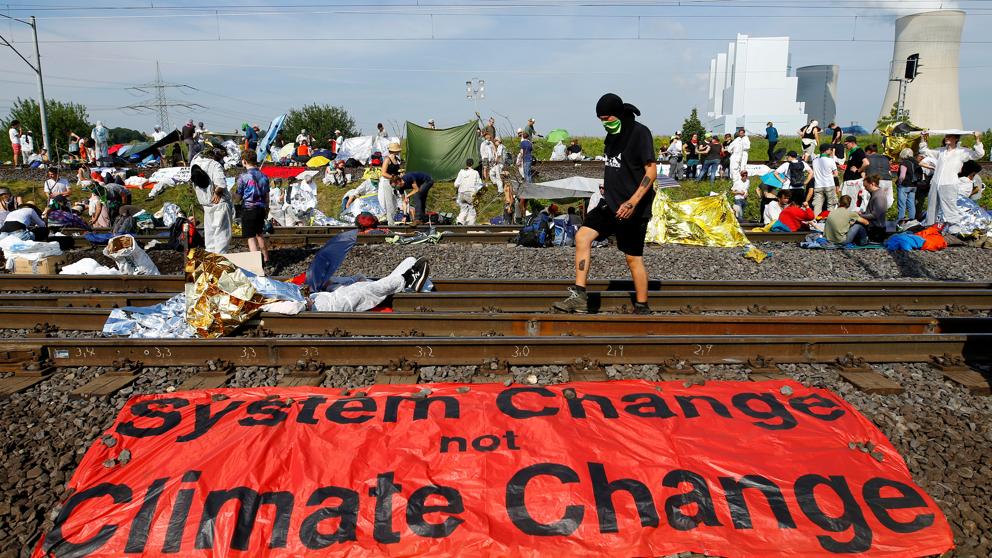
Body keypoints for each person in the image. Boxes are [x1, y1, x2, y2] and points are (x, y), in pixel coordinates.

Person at [553, 92, 656, 315]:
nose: (604, 124)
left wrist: (632, 202)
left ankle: (642, 306)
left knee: (632, 258)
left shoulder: (640, 133)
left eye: (606, 119)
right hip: (610, 203)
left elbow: (651, 171)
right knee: (582, 236)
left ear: (618, 114)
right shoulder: (611, 137)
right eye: (600, 120)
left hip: (634, 208)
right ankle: (580, 296)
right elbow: (616, 166)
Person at [919, 130, 984, 225]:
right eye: (946, 136)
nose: (947, 137)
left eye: (949, 136)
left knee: (950, 208)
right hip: (935, 183)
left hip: (949, 183)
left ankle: (954, 229)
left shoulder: (961, 151)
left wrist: (977, 139)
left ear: (956, 138)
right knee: (932, 207)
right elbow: (924, 151)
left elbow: (979, 154)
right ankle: (930, 228)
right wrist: (922, 138)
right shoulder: (941, 151)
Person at [191, 148, 234, 254]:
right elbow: (221, 184)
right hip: (220, 205)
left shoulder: (194, 163)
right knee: (221, 236)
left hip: (206, 204)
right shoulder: (214, 165)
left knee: (210, 238)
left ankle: (211, 262)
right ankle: (220, 263)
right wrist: (217, 193)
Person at [234, 153, 271, 265]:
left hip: (248, 209)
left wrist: (233, 197)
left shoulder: (243, 177)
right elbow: (267, 197)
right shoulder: (264, 176)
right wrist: (266, 209)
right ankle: (266, 259)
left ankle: (256, 264)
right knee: (259, 234)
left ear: (244, 161)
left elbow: (238, 198)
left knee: (251, 237)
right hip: (261, 208)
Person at [807, 143, 839, 215]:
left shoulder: (815, 161)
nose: (831, 151)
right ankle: (830, 219)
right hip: (829, 185)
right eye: (830, 150)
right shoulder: (831, 160)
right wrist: (830, 175)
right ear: (826, 150)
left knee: (817, 205)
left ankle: (815, 221)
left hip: (818, 186)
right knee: (831, 204)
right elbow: (836, 174)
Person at [378, 142, 403, 225]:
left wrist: (400, 175)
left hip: (395, 182)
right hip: (387, 182)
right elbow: (383, 173)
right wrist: (393, 177)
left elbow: (397, 171)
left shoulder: (396, 159)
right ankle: (391, 222)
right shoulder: (387, 159)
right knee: (389, 202)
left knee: (396, 201)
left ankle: (395, 220)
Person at [896, 148, 922, 224]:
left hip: (905, 185)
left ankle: (900, 222)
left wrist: (899, 183)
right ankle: (912, 221)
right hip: (914, 186)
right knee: (911, 204)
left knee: (902, 204)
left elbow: (902, 176)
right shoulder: (916, 162)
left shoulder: (905, 162)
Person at [859, 175, 888, 242]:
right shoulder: (875, 193)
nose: (865, 188)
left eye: (866, 186)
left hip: (876, 228)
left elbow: (875, 215)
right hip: (874, 225)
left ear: (872, 184)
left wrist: (860, 215)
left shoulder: (879, 196)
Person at [454, 158, 482, 225]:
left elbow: (456, 184)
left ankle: (460, 221)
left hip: (461, 193)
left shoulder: (461, 172)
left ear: (466, 164)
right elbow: (479, 185)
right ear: (472, 164)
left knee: (463, 208)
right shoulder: (475, 173)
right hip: (470, 193)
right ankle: (470, 224)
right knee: (472, 209)